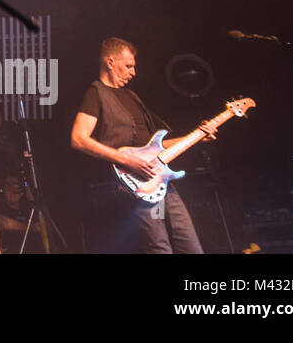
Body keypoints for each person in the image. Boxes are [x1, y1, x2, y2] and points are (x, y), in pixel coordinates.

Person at [70, 37, 213, 253]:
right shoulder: (95, 93)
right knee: (160, 248)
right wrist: (125, 159)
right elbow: (78, 139)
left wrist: (196, 136)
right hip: (135, 184)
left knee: (191, 246)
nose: (133, 72)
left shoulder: (132, 96)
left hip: (161, 179)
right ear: (110, 62)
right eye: (128, 66)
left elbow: (156, 147)